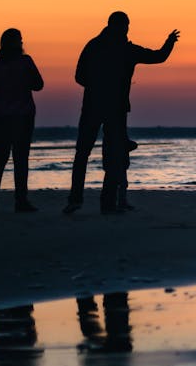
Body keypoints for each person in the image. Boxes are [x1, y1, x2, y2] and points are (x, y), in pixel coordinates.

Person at [64, 11, 179, 214]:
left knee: (88, 154)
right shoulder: (123, 49)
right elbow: (158, 56)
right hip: (112, 108)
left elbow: (79, 76)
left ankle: (79, 200)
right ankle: (101, 203)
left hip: (97, 105)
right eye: (125, 26)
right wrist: (170, 42)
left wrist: (95, 86)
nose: (126, 29)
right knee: (108, 155)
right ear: (121, 26)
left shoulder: (96, 45)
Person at [0, 28, 44, 213]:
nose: (23, 43)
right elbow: (39, 85)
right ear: (15, 43)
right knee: (20, 159)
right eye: (20, 40)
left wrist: (0, 84)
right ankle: (20, 201)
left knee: (0, 158)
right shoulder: (25, 61)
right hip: (22, 115)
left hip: (1, 115)